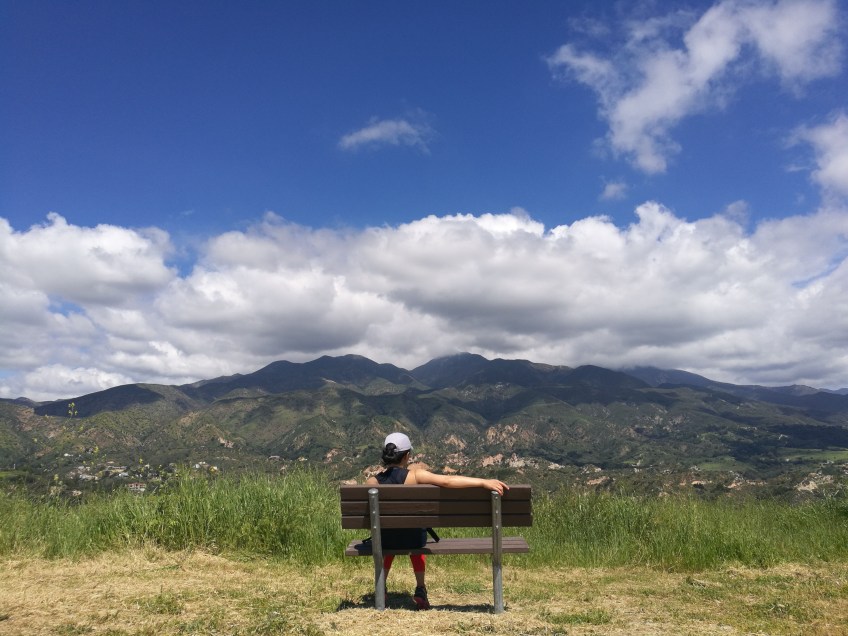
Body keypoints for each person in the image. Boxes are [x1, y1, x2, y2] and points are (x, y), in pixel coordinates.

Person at [365, 431, 509, 610]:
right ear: (407, 455)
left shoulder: (373, 481)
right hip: (414, 539)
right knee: (414, 531)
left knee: (389, 535)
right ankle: (420, 590)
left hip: (385, 540)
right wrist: (483, 482)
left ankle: (381, 589)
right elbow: (448, 481)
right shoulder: (416, 476)